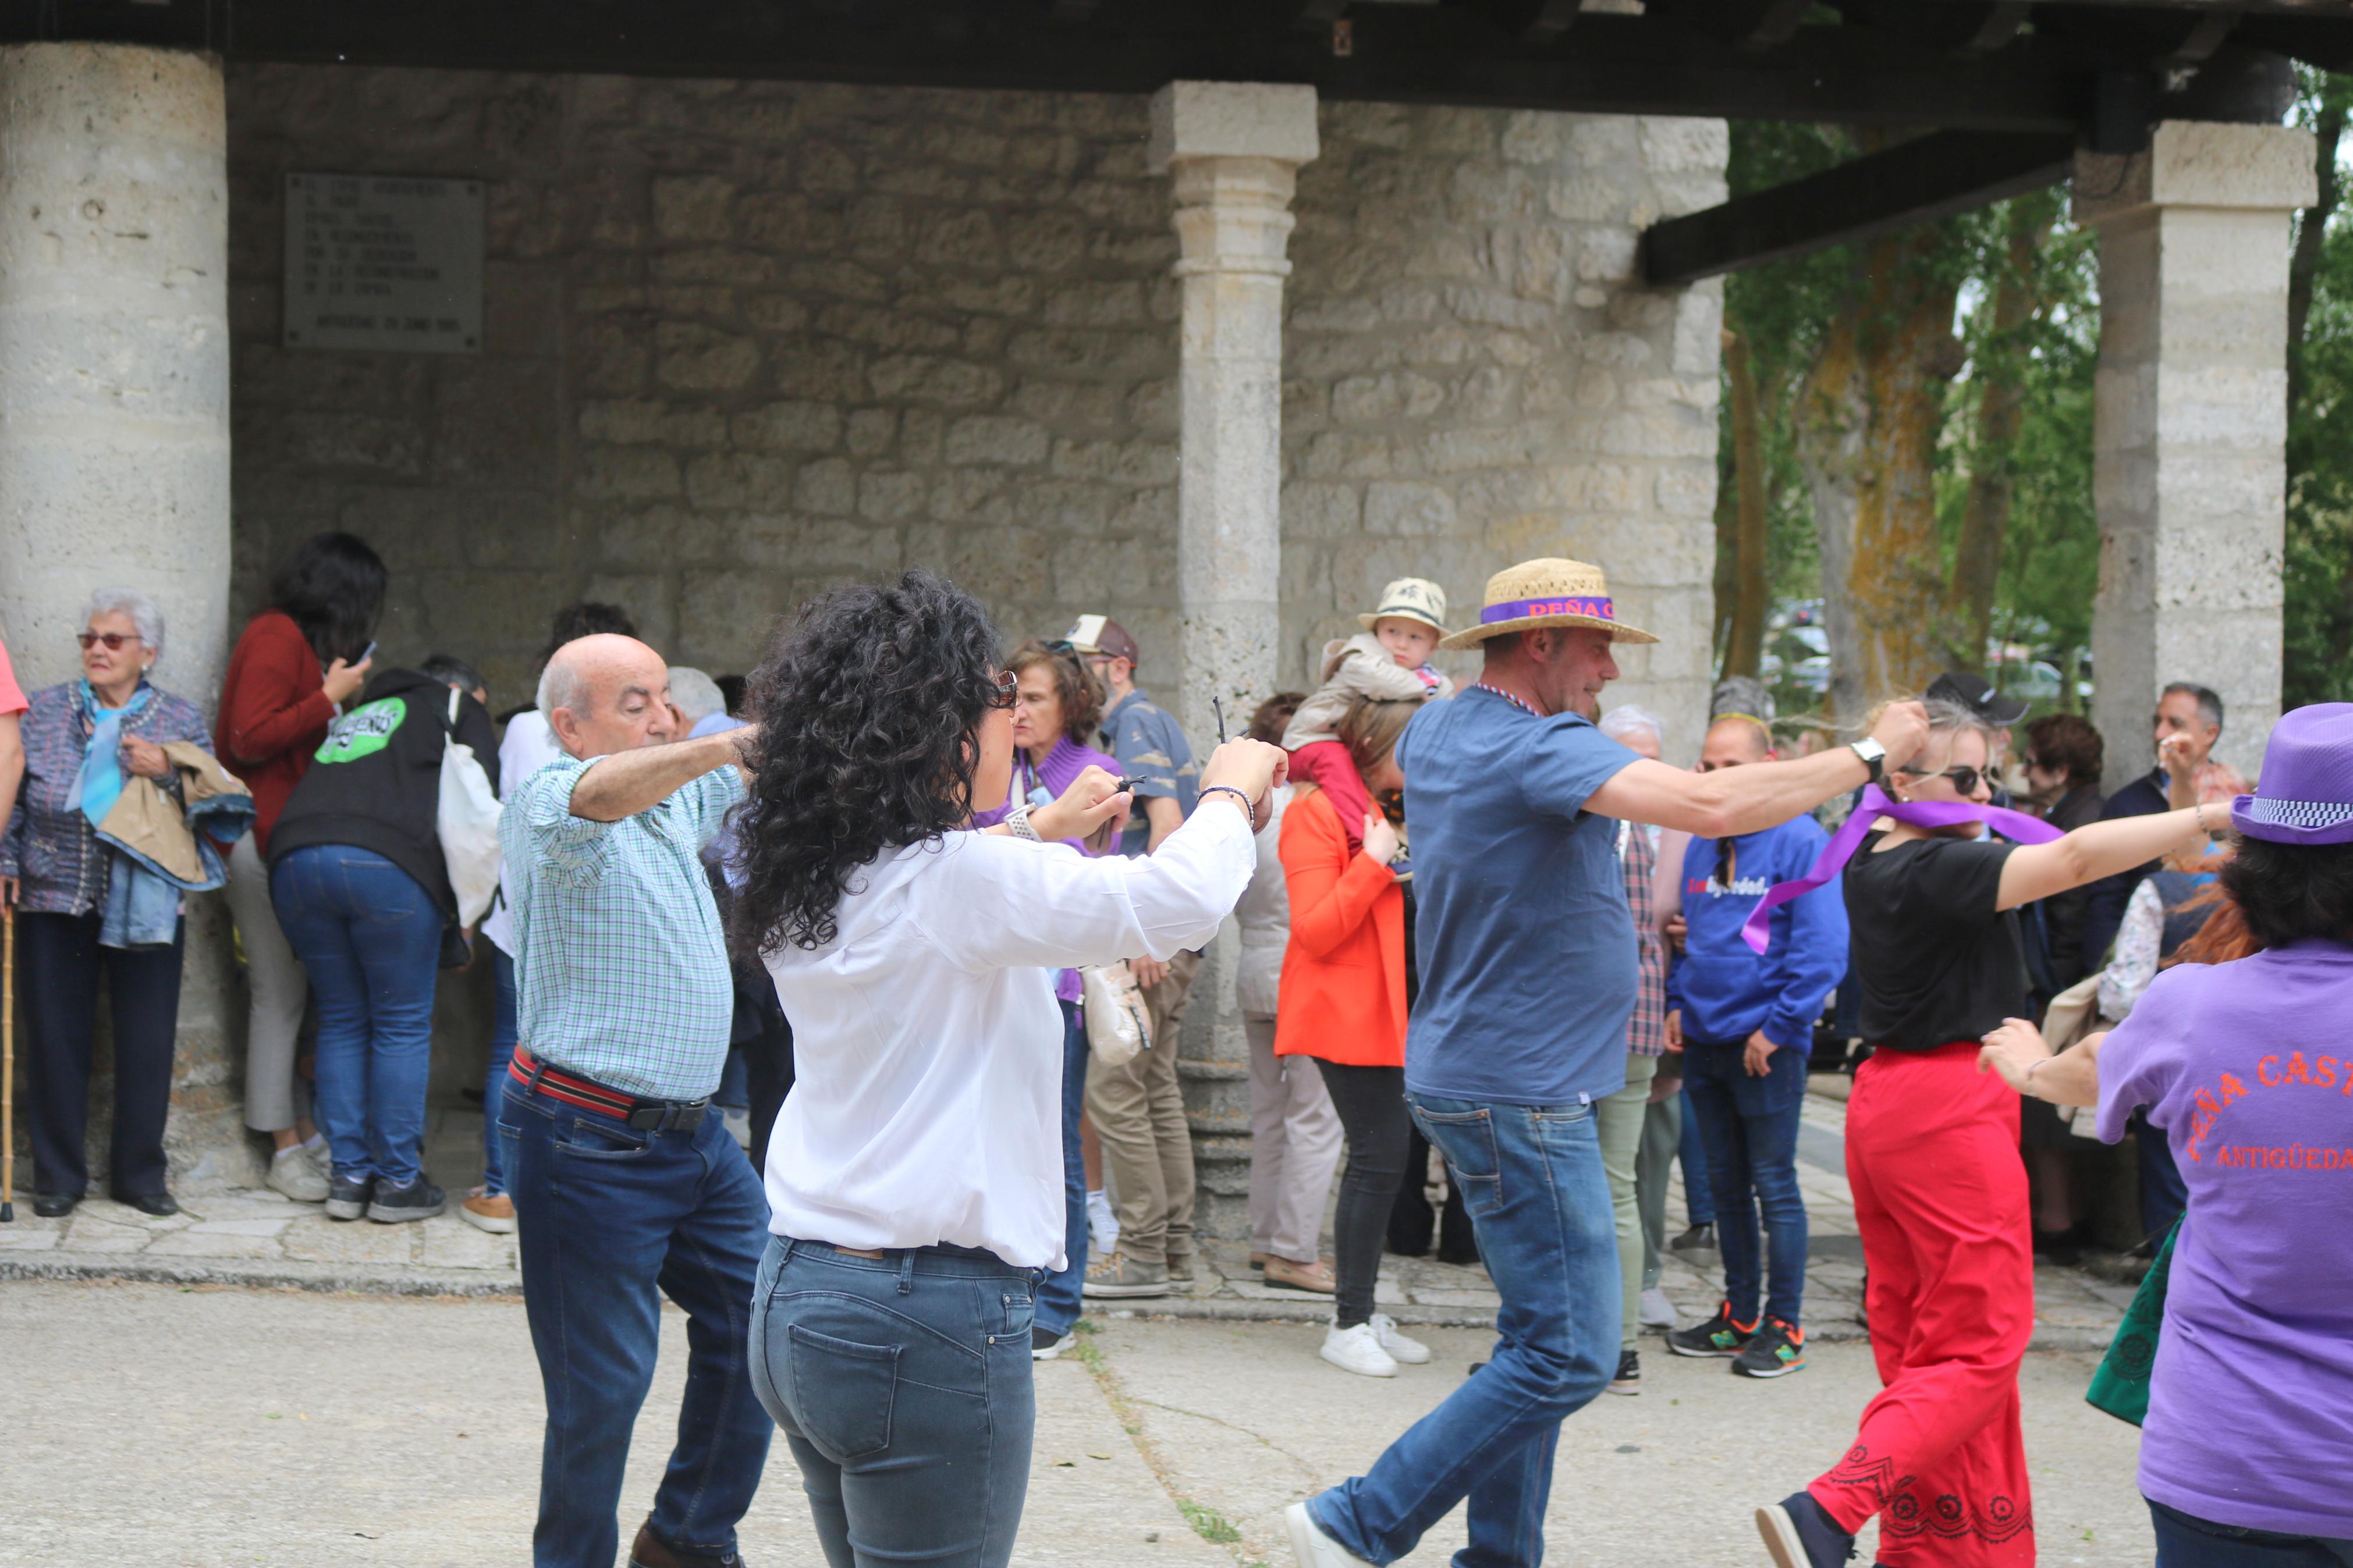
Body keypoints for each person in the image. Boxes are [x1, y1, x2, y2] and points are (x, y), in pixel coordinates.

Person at [1285, 557, 1930, 1568]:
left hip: (1502, 1077)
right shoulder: (1528, 743)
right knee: (1575, 1352)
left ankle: (1496, 1559)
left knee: (1534, 1341)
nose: (1604, 673)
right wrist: (1866, 750)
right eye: (1596, 649)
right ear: (1539, 643)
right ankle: (1357, 1521)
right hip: (1518, 1092)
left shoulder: (1451, 723)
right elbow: (1712, 809)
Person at [737, 570, 1278, 1568]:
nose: (1014, 722)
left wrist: (1035, 829)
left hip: (801, 1289)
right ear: (937, 731)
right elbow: (1175, 901)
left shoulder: (819, 872)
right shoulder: (963, 881)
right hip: (919, 1315)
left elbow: (938, 893)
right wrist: (1232, 787)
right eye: (997, 698)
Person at [1751, 696, 2212, 1568]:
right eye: (1961, 776)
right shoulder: (1935, 866)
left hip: (1889, 1100)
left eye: (1984, 777)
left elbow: (2156, 852)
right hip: (1948, 1104)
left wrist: (2185, 787)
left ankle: (1936, 1549)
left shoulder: (1881, 852)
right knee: (1979, 1342)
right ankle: (1831, 1504)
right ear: (1900, 778)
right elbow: (2077, 854)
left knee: (1925, 1349)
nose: (1978, 792)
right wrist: (2217, 805)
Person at [1978, 701, 2353, 1567]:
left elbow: (2095, 1070)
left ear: (2253, 862)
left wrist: (2032, 1065)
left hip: (2225, 1454)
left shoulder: (2188, 1006)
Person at [496, 634, 771, 1568]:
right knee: (602, 1388)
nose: (662, 717)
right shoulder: (550, 800)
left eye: (664, 698)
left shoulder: (671, 793)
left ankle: (688, 1535)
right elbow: (601, 793)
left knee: (765, 1326)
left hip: (693, 1141)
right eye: (634, 703)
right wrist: (724, 746)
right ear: (568, 724)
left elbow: (748, 769)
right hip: (585, 1139)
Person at [3, 591, 215, 1218]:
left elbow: (215, 805)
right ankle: (59, 1178)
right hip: (52, 893)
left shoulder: (179, 717)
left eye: (113, 641)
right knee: (54, 1039)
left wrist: (168, 772)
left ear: (147, 653)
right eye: (89, 639)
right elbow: (11, 788)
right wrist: (5, 861)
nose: (97, 649)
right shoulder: (44, 711)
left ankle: (141, 1176)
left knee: (147, 1041)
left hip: (149, 902)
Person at [269, 659, 500, 1224]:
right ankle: (397, 1181)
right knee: (399, 1023)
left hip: (296, 860)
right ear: (460, 690)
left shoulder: (361, 712)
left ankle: (348, 1178)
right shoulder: (454, 709)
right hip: (386, 865)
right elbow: (479, 811)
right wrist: (468, 911)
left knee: (343, 1018)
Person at [1662, 714, 1846, 1381]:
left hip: (1765, 1046)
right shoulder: (1703, 842)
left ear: (1768, 763)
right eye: (1707, 768)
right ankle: (1738, 1315)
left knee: (1775, 1185)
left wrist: (1777, 1028)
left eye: (1731, 767)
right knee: (1722, 1187)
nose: (1716, 780)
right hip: (1706, 1039)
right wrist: (1678, 1004)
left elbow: (1822, 950)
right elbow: (1696, 936)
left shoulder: (1801, 839)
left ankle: (1785, 1325)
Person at [214, 531, 386, 1202]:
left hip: (282, 842)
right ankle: (282, 1146)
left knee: (294, 993)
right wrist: (330, 695)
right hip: (257, 840)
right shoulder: (275, 634)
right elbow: (246, 737)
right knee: (279, 995)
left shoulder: (289, 640)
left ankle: (302, 1129)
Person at [973, 639, 1126, 1359]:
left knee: (1058, 1140)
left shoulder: (1092, 774)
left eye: (1033, 697)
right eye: (1009, 696)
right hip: (987, 981)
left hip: (1054, 987)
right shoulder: (983, 766)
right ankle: (1003, 1279)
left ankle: (1058, 1303)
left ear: (1071, 702)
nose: (1019, 710)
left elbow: (1083, 876)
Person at [469, 600, 638, 1235]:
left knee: (511, 1049)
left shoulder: (518, 729)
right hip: (582, 921)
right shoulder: (587, 738)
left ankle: (500, 1188)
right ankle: (564, 1187)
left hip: (523, 918)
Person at [1276, 695, 1430, 1377]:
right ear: (1375, 742)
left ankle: (1361, 1308)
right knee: (1377, 1160)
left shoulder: (1386, 807)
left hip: (1392, 1011)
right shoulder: (1313, 812)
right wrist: (1371, 862)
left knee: (1388, 1165)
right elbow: (1312, 929)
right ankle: (1348, 1322)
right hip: (1346, 1015)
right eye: (1412, 744)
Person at [1059, 613, 1205, 1299]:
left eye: (1081, 662)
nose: (1070, 677)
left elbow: (1167, 827)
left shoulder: (1135, 723)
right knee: (1154, 1089)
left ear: (1117, 666)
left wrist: (1143, 935)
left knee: (1114, 1090)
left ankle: (1142, 1253)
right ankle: (1172, 1247)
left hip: (1150, 935)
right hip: (1174, 931)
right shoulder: (1150, 720)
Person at [1237, 692, 1345, 1297]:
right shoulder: (1315, 806)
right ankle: (1293, 1248)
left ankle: (1263, 1237)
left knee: (1269, 1114)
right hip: (1306, 965)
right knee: (1314, 1114)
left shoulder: (1250, 809)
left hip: (1254, 961)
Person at [1593, 702, 1672, 1393]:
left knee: (1592, 1187)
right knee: (1614, 1186)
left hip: (1591, 1025)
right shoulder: (1662, 827)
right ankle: (1616, 1349)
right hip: (1636, 1020)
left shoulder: (1607, 825)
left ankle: (1597, 1345)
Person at [1283, 577, 1454, 838]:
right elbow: (1383, 682)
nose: (1402, 644)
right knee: (1338, 766)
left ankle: (1408, 837)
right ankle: (1362, 840)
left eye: (1415, 637)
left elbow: (1445, 704)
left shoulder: (1426, 677)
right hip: (1312, 741)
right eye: (1392, 632)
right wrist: (1427, 688)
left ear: (1432, 646)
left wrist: (1439, 689)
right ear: (1377, 631)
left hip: (1362, 750)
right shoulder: (1362, 655)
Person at [2080, 683, 2223, 966]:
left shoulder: (2230, 796)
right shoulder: (2127, 806)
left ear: (2210, 734)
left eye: (2175, 724)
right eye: (2157, 722)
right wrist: (2101, 975)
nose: (2160, 734)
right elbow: (2105, 903)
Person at [2020, 713, 2106, 985]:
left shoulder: (2077, 824)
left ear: (2060, 773)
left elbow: (2069, 914)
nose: (2024, 773)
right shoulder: (2074, 811)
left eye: (2030, 763)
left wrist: (2053, 985)